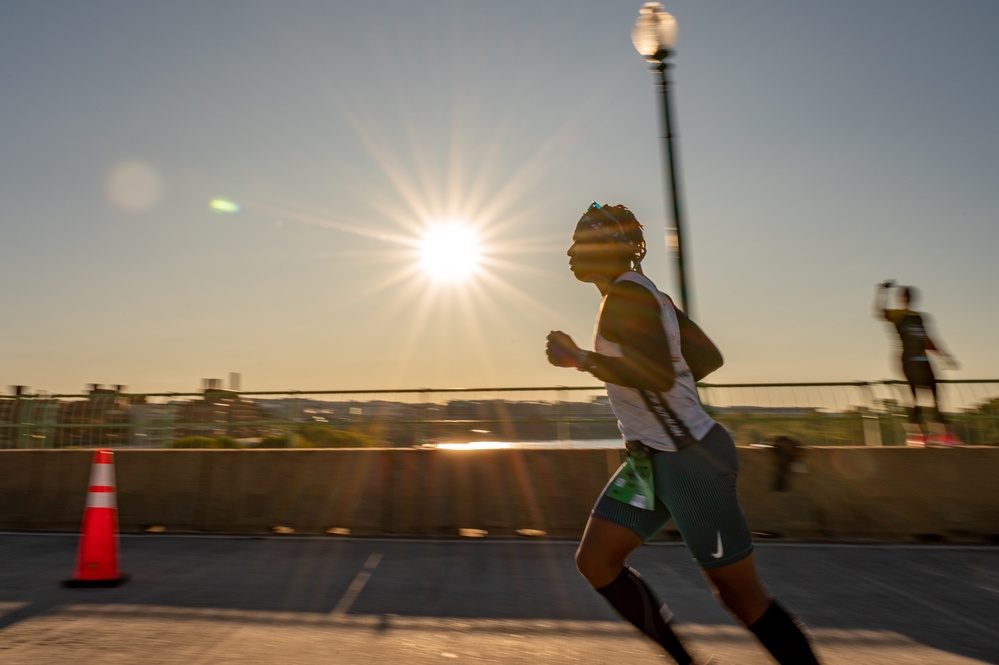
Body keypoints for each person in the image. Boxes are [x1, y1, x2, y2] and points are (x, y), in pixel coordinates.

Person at [546, 202, 820, 665]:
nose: (571, 251)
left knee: (742, 599)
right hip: (650, 460)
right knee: (596, 561)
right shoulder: (646, 297)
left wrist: (582, 359)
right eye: (572, 241)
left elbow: (655, 374)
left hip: (689, 459)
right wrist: (669, 394)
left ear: (615, 249)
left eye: (583, 241)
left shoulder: (627, 298)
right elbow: (707, 358)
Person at [872, 281, 961, 446]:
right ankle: (917, 434)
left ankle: (945, 435)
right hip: (908, 361)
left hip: (924, 360)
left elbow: (928, 340)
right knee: (915, 398)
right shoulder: (897, 315)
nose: (908, 299)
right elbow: (878, 312)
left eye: (910, 297)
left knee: (935, 397)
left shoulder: (919, 317)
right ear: (900, 299)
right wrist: (881, 292)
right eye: (905, 297)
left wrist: (945, 356)